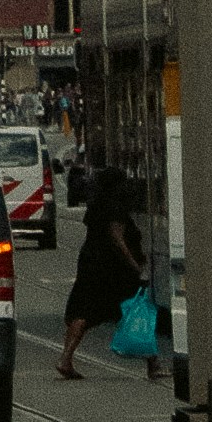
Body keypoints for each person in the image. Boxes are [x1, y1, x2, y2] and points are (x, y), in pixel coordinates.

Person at [61, 162, 155, 386]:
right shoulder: (116, 206)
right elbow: (117, 238)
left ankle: (65, 358)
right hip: (113, 269)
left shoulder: (96, 205)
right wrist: (135, 265)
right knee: (139, 309)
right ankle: (154, 363)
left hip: (90, 264)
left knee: (84, 311)